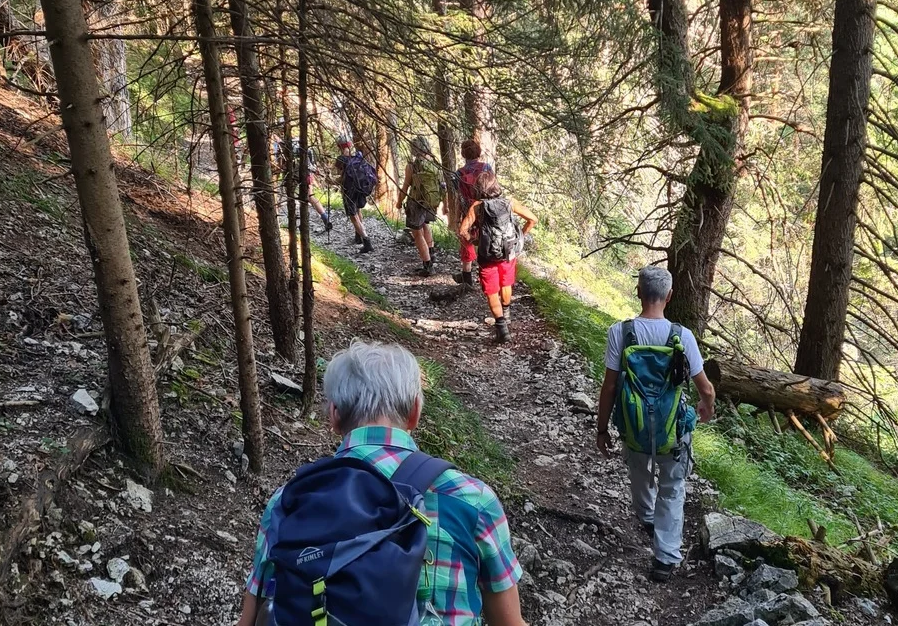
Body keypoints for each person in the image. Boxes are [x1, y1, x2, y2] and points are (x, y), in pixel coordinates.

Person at [236, 341, 527, 626]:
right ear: (415, 412)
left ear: (334, 415)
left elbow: (250, 618)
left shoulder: (288, 501)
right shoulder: (471, 499)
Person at [595, 266, 717, 583]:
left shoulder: (620, 332)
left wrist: (602, 428)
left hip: (634, 427)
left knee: (639, 475)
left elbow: (609, 386)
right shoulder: (682, 336)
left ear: (638, 292)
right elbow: (705, 388)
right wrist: (706, 407)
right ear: (670, 296)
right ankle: (664, 559)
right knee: (672, 489)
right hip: (673, 431)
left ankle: (648, 517)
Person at [458, 173, 536, 343]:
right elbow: (532, 219)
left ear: (479, 188)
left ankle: (502, 329)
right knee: (506, 284)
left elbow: (462, 231)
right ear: (495, 186)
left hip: (487, 255)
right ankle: (506, 314)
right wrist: (520, 236)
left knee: (492, 291)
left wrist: (475, 240)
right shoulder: (510, 203)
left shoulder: (477, 207)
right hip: (508, 253)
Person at [397, 135, 445, 276]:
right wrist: (445, 205)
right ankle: (431, 254)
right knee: (425, 225)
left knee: (417, 233)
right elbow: (443, 187)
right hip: (431, 202)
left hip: (416, 203)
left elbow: (405, 187)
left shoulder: (412, 166)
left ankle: (427, 265)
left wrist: (399, 202)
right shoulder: (436, 165)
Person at [273, 120, 332, 232]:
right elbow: (311, 159)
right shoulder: (300, 141)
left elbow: (281, 165)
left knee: (289, 196)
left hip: (292, 174)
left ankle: (289, 223)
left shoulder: (282, 145)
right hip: (307, 172)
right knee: (310, 196)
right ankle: (325, 217)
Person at [452, 139, 494, 286]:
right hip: (485, 209)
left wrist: (457, 217)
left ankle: (467, 276)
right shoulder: (487, 167)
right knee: (486, 239)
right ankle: (486, 276)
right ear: (478, 152)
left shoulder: (458, 173)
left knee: (466, 240)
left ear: (463, 154)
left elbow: (458, 197)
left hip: (467, 210)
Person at [334, 136, 375, 253]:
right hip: (360, 188)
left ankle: (366, 241)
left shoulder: (341, 159)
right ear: (350, 144)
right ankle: (358, 236)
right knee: (358, 211)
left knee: (353, 215)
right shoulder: (358, 156)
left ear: (339, 146)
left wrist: (330, 180)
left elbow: (339, 177)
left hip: (348, 190)